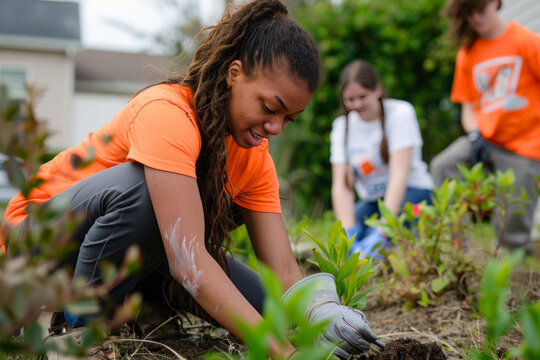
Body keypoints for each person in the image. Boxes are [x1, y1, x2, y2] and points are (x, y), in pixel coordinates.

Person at [0, 0, 378, 358]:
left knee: (268, 310)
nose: (276, 127)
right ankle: (70, 328)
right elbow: (187, 258)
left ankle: (137, 309)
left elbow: (283, 270)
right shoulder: (166, 113)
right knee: (144, 192)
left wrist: (320, 309)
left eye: (288, 118)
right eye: (269, 107)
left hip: (114, 254)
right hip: (36, 246)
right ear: (234, 74)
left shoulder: (254, 157)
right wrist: (281, 355)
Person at [430, 0, 540, 253]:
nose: (475, 19)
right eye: (468, 14)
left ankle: (514, 256)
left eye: (480, 11)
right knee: (443, 165)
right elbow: (468, 106)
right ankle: (462, 252)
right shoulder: (468, 52)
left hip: (526, 147)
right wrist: (474, 133)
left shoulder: (525, 41)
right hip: (486, 140)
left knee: (512, 228)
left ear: (495, 3)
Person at [330, 60, 434, 259]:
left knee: (374, 243)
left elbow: (398, 177)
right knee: (342, 245)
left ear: (377, 90)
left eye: (363, 96)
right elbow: (341, 187)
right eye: (350, 99)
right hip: (372, 201)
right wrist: (348, 231)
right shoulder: (341, 127)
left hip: (413, 194)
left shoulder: (401, 114)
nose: (357, 104)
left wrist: (383, 231)